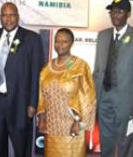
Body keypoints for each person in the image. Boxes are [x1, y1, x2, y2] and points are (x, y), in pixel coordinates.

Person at [0, 2, 44, 157]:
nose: (8, 19)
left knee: (21, 147)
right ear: (0, 17)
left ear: (18, 17)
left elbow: (36, 73)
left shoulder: (32, 39)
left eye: (12, 15)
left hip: (20, 103)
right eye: (4, 15)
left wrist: (33, 103)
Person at [93, 0, 133, 157]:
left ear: (128, 14)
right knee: (105, 140)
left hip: (127, 101)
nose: (115, 15)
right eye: (112, 11)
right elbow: (97, 71)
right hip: (104, 97)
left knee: (125, 144)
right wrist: (94, 98)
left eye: (119, 11)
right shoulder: (103, 35)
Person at [37, 28, 96, 157]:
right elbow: (41, 96)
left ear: (71, 43)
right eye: (57, 41)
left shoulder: (80, 66)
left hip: (71, 126)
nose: (60, 45)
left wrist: (79, 123)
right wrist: (41, 119)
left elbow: (88, 96)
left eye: (64, 41)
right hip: (52, 126)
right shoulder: (47, 69)